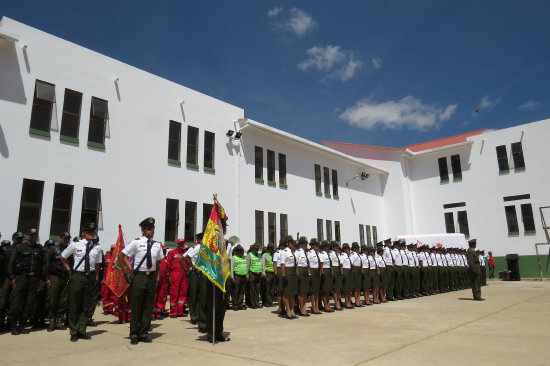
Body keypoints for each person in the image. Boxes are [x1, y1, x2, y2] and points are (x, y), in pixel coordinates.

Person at [118, 217, 164, 344]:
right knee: (137, 306)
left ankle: (143, 333)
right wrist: (128, 270)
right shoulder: (136, 242)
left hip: (151, 277)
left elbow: (158, 263)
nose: (152, 231)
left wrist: (157, 279)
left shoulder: (157, 245)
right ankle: (134, 334)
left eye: (153, 229)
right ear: (143, 230)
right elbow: (122, 256)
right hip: (139, 276)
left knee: (148, 307)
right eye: (149, 229)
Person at [60, 223, 102, 341]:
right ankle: (73, 331)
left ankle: (82, 330)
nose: (91, 234)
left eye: (92, 232)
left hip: (90, 277)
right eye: (88, 232)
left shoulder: (97, 247)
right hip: (78, 276)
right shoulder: (75, 244)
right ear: (83, 233)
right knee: (74, 304)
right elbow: (63, 257)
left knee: (86, 305)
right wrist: (69, 270)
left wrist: (97, 278)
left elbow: (97, 265)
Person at [7, 228, 45, 335]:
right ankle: (13, 325)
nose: (33, 236)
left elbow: (43, 264)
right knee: (16, 302)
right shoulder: (20, 247)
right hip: (21, 278)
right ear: (27, 236)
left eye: (34, 235)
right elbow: (11, 263)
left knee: (29, 303)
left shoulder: (39, 248)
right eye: (31, 235)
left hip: (34, 278)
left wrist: (41, 279)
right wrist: (12, 278)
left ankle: (22, 325)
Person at [44, 232, 72, 332]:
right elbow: (46, 264)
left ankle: (59, 321)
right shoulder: (53, 249)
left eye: (68, 239)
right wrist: (47, 278)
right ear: (60, 239)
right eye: (64, 238)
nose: (66, 240)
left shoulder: (70, 249)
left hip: (65, 277)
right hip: (54, 277)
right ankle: (52, 321)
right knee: (52, 300)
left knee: (63, 300)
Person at [167, 239, 189, 317]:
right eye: (180, 243)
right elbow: (168, 265)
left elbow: (188, 264)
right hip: (175, 274)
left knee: (183, 293)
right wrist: (169, 276)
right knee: (174, 293)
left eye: (183, 243)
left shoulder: (185, 253)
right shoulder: (172, 252)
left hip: (183, 275)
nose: (182, 245)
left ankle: (180, 312)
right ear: (177, 244)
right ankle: (173, 312)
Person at [280, 235, 298, 319]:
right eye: (291, 242)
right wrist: (284, 276)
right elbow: (282, 265)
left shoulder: (292, 251)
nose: (293, 244)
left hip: (293, 273)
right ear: (287, 243)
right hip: (287, 272)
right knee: (287, 294)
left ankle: (292, 310)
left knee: (292, 294)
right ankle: (288, 311)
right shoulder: (284, 252)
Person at [295, 237, 310, 316]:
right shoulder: (298, 252)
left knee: (305, 292)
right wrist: (297, 274)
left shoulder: (306, 252)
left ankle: (304, 307)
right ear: (301, 244)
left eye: (306, 244)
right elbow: (296, 264)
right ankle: (301, 309)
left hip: (305, 271)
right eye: (304, 244)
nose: (306, 245)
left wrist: (309, 273)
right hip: (300, 271)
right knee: (301, 292)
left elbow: (307, 264)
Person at [153, 245, 169, 319]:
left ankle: (159, 312)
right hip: (157, 279)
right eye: (163, 250)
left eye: (165, 250)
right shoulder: (157, 259)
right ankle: (152, 313)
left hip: (164, 280)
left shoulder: (166, 259)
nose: (165, 251)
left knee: (161, 296)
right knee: (155, 296)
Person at [307, 238, 322, 314]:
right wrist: (309, 274)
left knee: (317, 290)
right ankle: (313, 306)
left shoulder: (318, 253)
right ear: (312, 246)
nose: (317, 246)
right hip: (312, 271)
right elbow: (308, 264)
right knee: (313, 291)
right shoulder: (309, 253)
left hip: (317, 271)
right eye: (316, 245)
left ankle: (317, 306)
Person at [230, 245, 247, 310]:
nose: (241, 252)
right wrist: (232, 277)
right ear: (237, 252)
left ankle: (240, 304)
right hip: (236, 276)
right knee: (235, 291)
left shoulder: (244, 257)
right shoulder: (233, 258)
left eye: (242, 251)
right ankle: (235, 305)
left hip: (243, 276)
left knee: (242, 291)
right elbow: (232, 268)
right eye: (239, 251)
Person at [246, 243, 262, 309]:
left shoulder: (259, 255)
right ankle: (252, 303)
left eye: (257, 248)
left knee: (257, 289)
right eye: (255, 248)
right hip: (252, 273)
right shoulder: (249, 255)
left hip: (258, 274)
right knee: (252, 289)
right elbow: (247, 266)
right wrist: (247, 275)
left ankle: (257, 302)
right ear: (253, 249)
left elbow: (261, 264)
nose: (257, 249)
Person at [319, 241, 333, 312]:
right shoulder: (322, 254)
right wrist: (322, 274)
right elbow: (321, 265)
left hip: (328, 272)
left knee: (327, 290)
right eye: (327, 247)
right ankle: (326, 305)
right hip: (324, 271)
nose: (328, 248)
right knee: (324, 290)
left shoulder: (327, 254)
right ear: (324, 247)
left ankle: (328, 304)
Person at [261, 243, 276, 307]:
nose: (272, 249)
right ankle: (267, 302)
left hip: (273, 273)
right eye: (270, 248)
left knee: (272, 289)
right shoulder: (265, 255)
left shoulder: (274, 255)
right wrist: (263, 273)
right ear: (268, 249)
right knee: (267, 288)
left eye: (272, 248)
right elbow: (263, 265)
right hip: (268, 273)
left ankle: (271, 301)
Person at [330, 241, 343, 311]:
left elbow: (341, 264)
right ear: (332, 247)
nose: (336, 248)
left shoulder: (338, 254)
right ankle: (336, 303)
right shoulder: (331, 254)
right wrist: (332, 273)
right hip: (334, 269)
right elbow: (331, 264)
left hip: (338, 270)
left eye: (337, 247)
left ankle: (338, 302)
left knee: (338, 288)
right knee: (335, 288)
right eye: (335, 247)